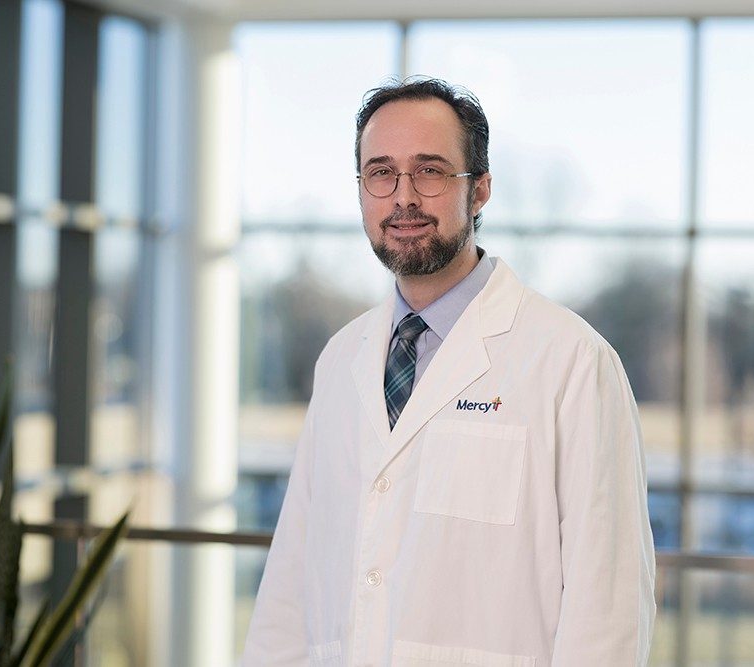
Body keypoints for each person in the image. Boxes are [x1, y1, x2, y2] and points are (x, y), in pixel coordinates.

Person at [242, 78, 656, 667]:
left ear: (480, 189)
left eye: (430, 171)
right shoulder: (341, 358)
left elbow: (608, 609)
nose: (402, 197)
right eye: (380, 172)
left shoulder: (573, 362)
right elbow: (291, 576)